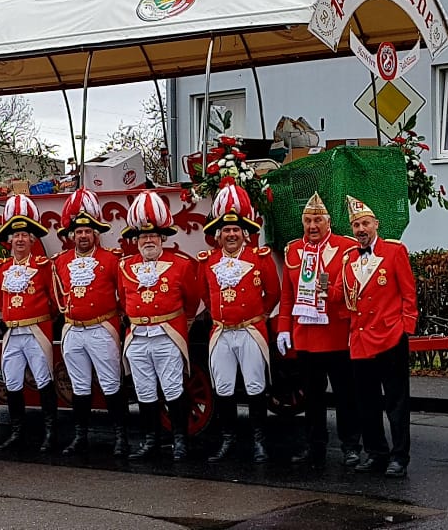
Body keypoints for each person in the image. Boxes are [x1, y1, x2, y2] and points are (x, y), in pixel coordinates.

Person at [332, 196, 418, 478]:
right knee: (366, 402)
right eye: (356, 224)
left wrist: (407, 326)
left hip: (390, 337)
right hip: (359, 340)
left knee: (396, 402)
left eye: (365, 223)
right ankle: (376, 452)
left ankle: (400, 457)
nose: (360, 229)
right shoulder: (348, 260)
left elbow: (408, 292)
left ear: (376, 225)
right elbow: (342, 298)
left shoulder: (394, 252)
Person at [276, 192, 362, 469]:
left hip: (336, 334)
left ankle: (351, 446)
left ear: (328, 222)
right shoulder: (292, 250)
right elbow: (286, 295)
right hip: (305, 336)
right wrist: (283, 328)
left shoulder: (346, 247)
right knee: (312, 397)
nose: (312, 226)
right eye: (308, 220)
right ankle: (315, 446)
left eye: (318, 220)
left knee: (346, 394)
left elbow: (354, 290)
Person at [198, 184, 281, 463]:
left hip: (250, 330)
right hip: (221, 333)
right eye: (225, 231)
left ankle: (259, 442)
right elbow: (204, 294)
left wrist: (260, 315)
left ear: (244, 233)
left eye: (235, 230)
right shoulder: (208, 262)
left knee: (256, 387)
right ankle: (228, 441)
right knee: (223, 388)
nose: (230, 235)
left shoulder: (259, 258)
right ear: (218, 235)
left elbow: (273, 292)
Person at [117, 190, 201, 461]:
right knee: (144, 390)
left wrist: (181, 322)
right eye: (143, 236)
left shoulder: (181, 265)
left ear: (162, 238)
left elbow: (192, 298)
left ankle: (180, 440)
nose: (148, 240)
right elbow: (123, 298)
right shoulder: (126, 266)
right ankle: (150, 440)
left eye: (153, 236)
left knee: (174, 389)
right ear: (136, 240)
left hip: (167, 334)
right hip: (138, 336)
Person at [51, 188, 130, 458]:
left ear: (95, 233)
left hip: (101, 328)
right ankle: (80, 436)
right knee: (80, 386)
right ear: (71, 235)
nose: (83, 236)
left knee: (111, 384)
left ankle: (121, 437)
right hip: (73, 328)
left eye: (87, 231)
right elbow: (57, 296)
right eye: (78, 231)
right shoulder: (60, 262)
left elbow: (124, 295)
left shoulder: (111, 260)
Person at [0, 194, 59, 453]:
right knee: (13, 381)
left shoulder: (43, 266)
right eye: (15, 236)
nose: (19, 240)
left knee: (44, 379)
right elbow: (0, 299)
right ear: (9, 239)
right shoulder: (2, 268)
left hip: (36, 330)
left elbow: (54, 301)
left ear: (32, 239)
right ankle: (17, 432)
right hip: (12, 332)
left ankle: (51, 433)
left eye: (25, 236)